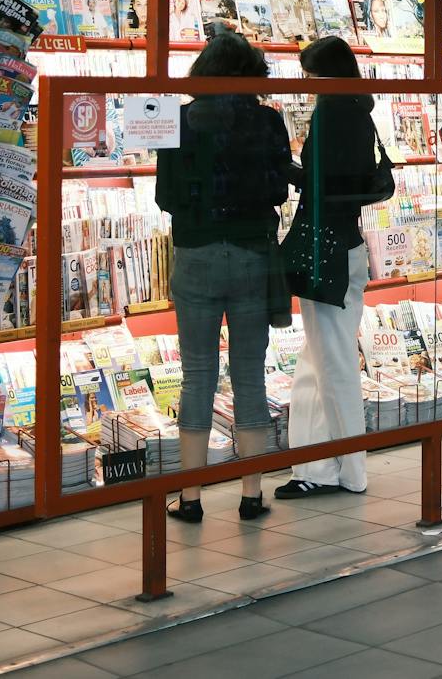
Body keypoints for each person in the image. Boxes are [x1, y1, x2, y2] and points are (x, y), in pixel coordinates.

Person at [153, 30, 292, 523]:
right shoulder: (270, 122)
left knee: (197, 374)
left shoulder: (178, 121)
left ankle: (189, 498)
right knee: (250, 373)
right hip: (254, 252)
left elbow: (165, 197)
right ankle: (251, 495)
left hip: (196, 255)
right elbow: (279, 189)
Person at [277, 35, 381, 500]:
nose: (306, 85)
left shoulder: (335, 113)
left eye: (310, 76)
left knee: (333, 362)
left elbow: (325, 183)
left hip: (329, 250)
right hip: (343, 244)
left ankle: (352, 469)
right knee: (317, 361)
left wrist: (287, 169)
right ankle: (316, 465)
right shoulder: (358, 109)